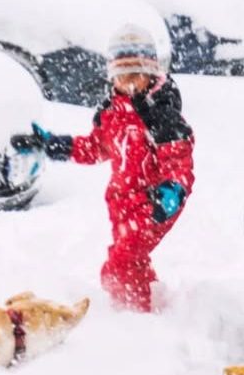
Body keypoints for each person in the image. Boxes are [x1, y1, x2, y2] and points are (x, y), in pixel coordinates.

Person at [11, 25, 195, 312]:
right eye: (121, 77)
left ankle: (130, 318)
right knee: (134, 260)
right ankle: (152, 308)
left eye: (135, 76)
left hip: (154, 201)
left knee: (119, 266)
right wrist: (54, 145)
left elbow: (179, 161)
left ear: (150, 72)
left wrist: (173, 189)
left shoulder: (160, 112)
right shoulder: (112, 110)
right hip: (122, 203)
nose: (129, 84)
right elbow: (95, 147)